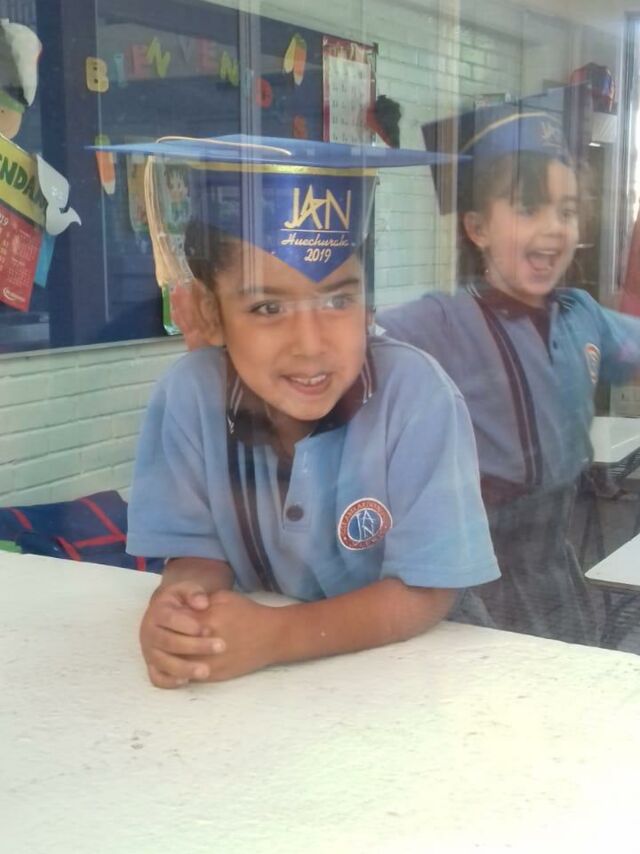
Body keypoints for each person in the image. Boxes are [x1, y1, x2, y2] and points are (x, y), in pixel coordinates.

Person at [121, 135, 500, 687]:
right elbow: (197, 553)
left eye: (338, 300)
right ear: (211, 311)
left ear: (369, 302)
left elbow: (428, 591)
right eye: (268, 307)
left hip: (428, 675)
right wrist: (184, 610)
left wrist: (276, 637)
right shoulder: (191, 397)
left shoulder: (417, 398)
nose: (311, 344)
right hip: (281, 697)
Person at [379, 101, 640, 645]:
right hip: (473, 579)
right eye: (528, 208)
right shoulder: (439, 322)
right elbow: (344, 350)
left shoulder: (582, 316)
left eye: (567, 211)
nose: (553, 229)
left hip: (558, 563)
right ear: (476, 227)